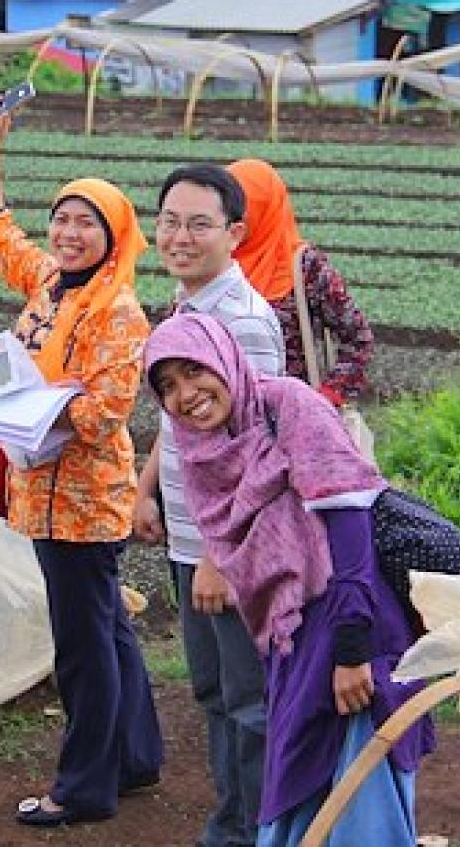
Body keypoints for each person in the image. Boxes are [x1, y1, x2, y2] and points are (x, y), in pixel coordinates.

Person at [145, 312, 432, 847]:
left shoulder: (288, 406)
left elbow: (351, 535)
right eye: (168, 386)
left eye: (193, 370)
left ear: (222, 358)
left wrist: (352, 652)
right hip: (291, 636)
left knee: (355, 786)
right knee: (301, 771)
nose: (187, 394)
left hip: (351, 622)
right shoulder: (202, 449)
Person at [0, 97, 164, 827]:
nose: (70, 232)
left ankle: (83, 788)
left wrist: (24, 407)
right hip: (44, 489)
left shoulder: (119, 310)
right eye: (64, 218)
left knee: (83, 646)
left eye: (87, 222)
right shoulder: (51, 281)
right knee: (107, 627)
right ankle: (137, 759)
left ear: (115, 235)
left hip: (82, 501)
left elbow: (104, 411)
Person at [134, 163, 283, 847]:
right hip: (193, 544)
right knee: (216, 695)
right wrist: (146, 487)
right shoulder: (189, 307)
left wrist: (224, 555)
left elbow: (260, 448)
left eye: (199, 224)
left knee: (250, 703)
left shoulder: (243, 322)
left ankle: (255, 833)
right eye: (169, 221)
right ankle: (232, 825)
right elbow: (184, 420)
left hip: (231, 552)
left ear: (235, 234)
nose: (180, 236)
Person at [228, 158, 375, 406]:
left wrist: (326, 398)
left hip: (289, 421)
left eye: (238, 208)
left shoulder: (304, 266)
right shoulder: (209, 263)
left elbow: (358, 339)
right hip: (218, 424)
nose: (229, 218)